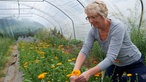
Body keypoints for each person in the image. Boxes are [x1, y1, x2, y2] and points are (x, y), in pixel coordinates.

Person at [69, 0, 146, 82]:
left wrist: (88, 73)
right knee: (107, 80)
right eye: (88, 17)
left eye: (94, 17)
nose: (90, 21)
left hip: (133, 62)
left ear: (103, 15)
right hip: (115, 64)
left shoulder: (117, 27)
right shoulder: (94, 30)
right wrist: (75, 71)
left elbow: (111, 57)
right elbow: (85, 50)